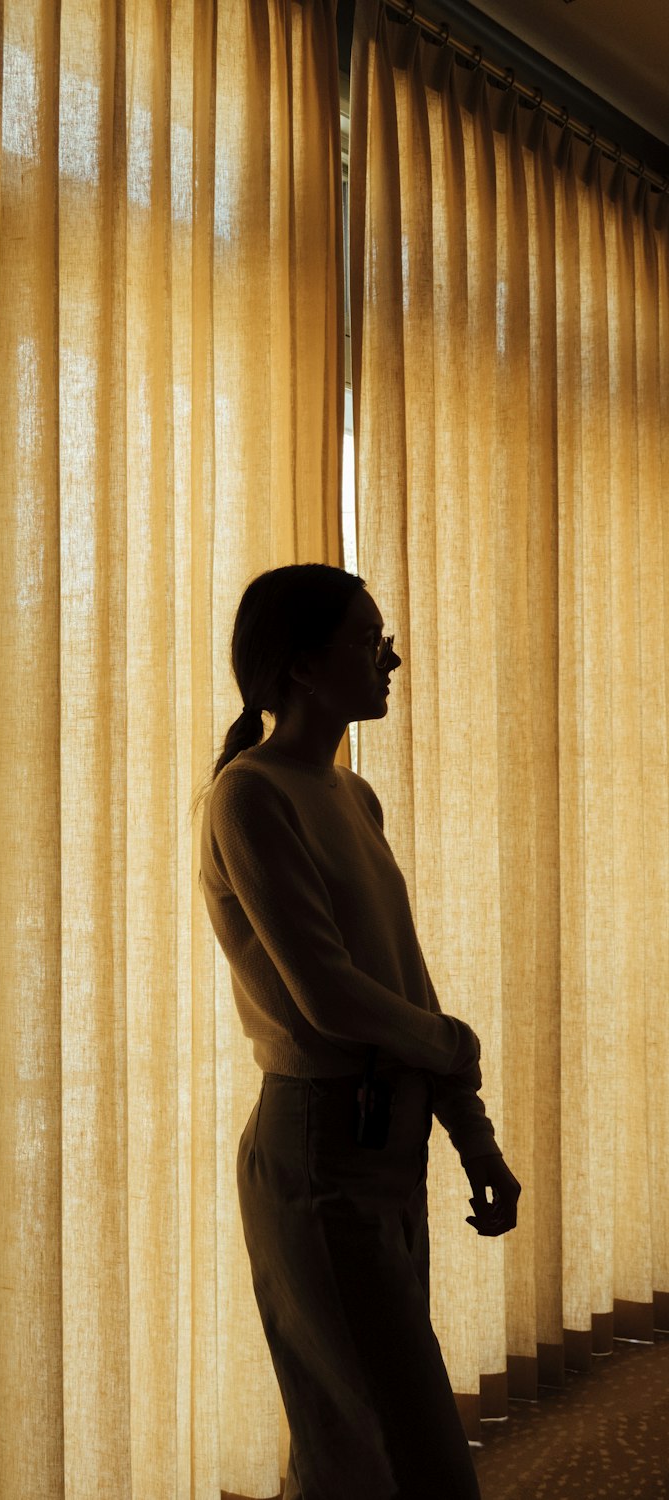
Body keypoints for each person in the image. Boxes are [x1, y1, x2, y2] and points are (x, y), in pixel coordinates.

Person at [194, 564, 521, 1500]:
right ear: (302, 666)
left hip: (387, 1144)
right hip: (317, 1149)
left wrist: (473, 1136)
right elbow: (331, 999)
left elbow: (400, 985)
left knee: (355, 1444)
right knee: (397, 1448)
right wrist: (454, 1047)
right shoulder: (249, 795)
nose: (392, 657)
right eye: (369, 640)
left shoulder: (352, 795)